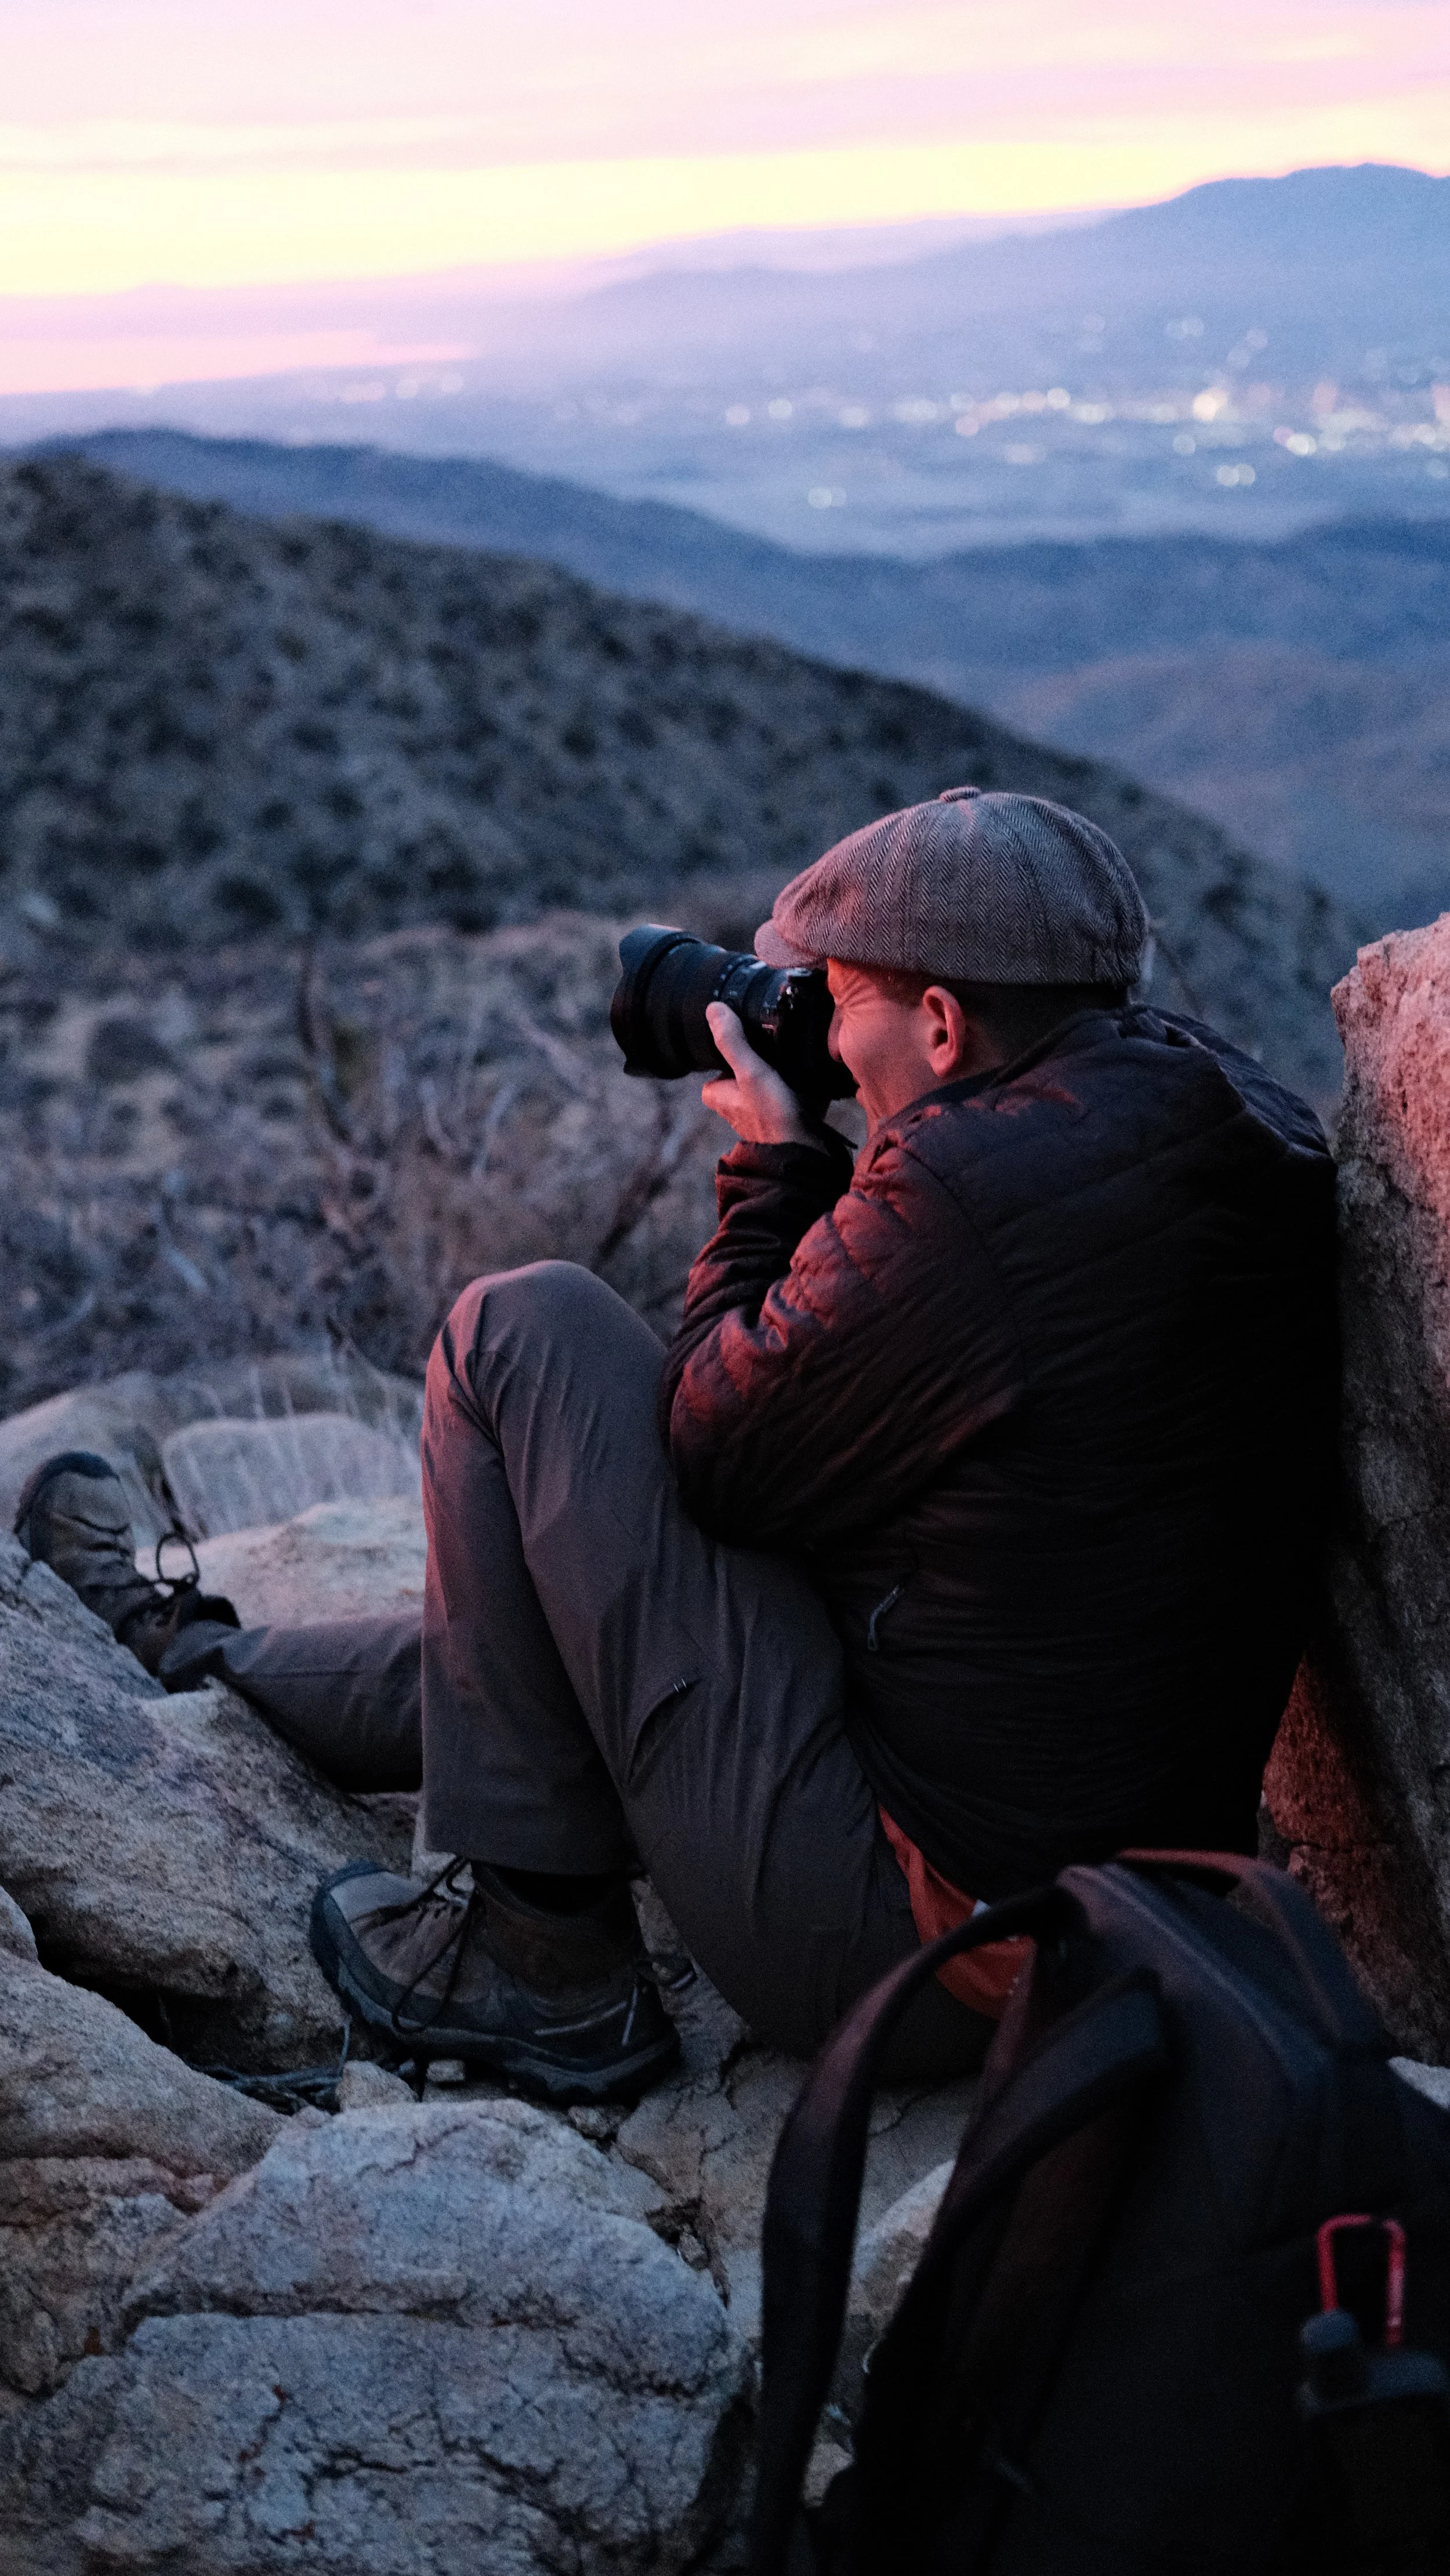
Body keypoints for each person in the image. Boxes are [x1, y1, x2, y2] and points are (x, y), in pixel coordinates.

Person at [16, 787, 1337, 2107]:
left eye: (838, 998)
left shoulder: (966, 1194)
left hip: (926, 1940)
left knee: (520, 1329)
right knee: (535, 1645)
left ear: (941, 1020)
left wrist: (773, 1172)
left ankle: (544, 1963)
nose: (814, 1025)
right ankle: (188, 1644)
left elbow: (711, 1446)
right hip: (1122, 1887)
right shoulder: (1221, 1114)